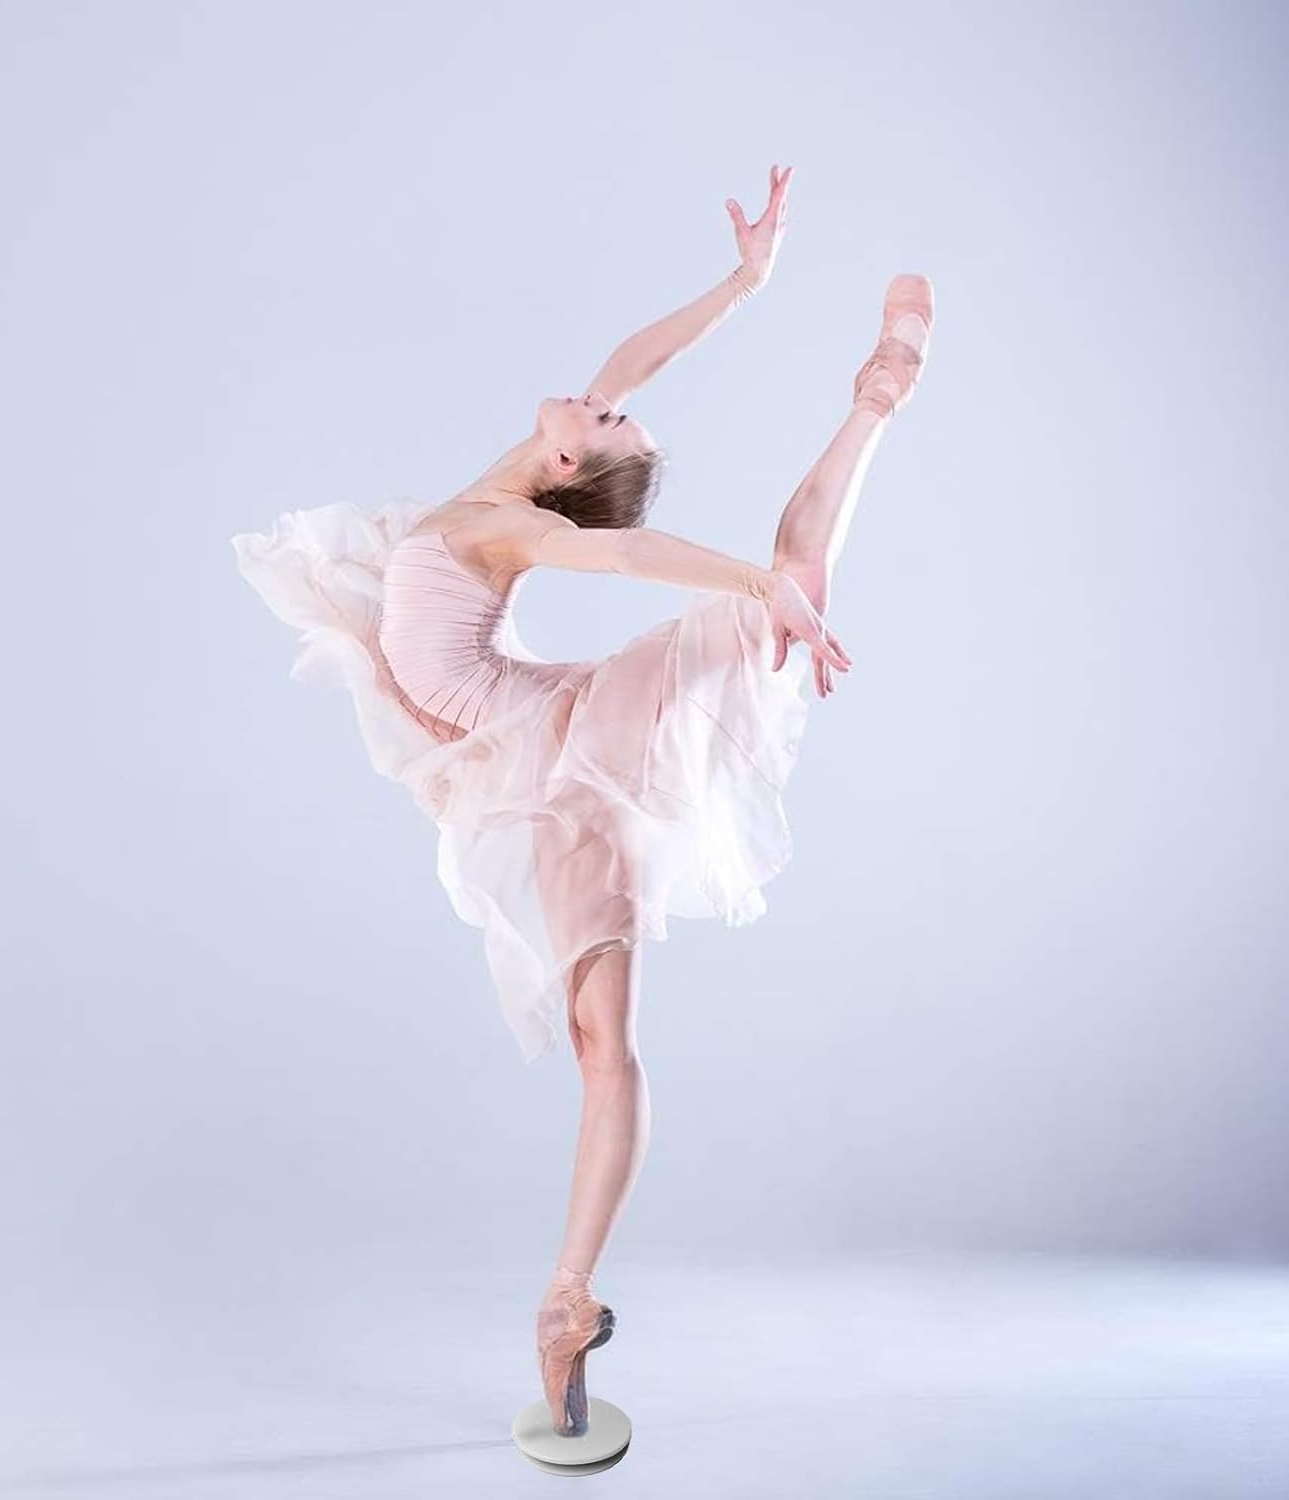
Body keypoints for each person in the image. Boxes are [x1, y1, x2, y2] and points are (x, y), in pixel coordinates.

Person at [231, 163, 935, 1438]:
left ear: (569, 461)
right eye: (613, 415)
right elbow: (631, 362)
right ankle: (565, 1306)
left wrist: (754, 586)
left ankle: (875, 401)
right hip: (533, 747)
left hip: (569, 757)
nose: (608, 400)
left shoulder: (520, 524)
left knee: (607, 1042)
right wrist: (744, 282)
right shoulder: (519, 472)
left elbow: (618, 550)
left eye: (609, 422)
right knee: (595, 1041)